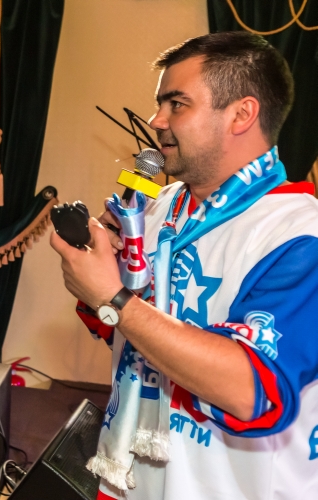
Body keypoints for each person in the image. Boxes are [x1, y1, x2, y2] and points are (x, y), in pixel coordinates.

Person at [50, 32, 318, 500]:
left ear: (242, 114)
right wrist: (101, 274)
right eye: (160, 104)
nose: (157, 120)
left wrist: (115, 298)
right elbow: (124, 332)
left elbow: (248, 389)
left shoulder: (298, 233)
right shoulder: (157, 207)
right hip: (130, 481)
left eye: (177, 104)